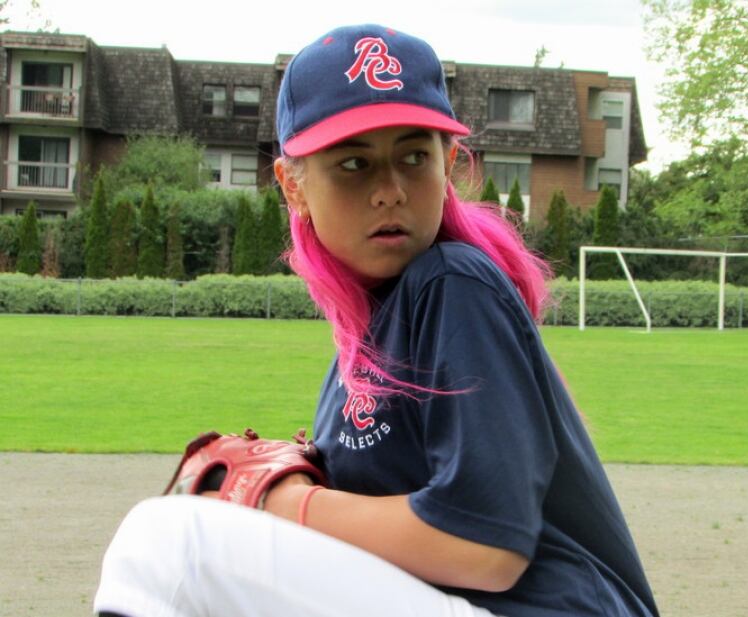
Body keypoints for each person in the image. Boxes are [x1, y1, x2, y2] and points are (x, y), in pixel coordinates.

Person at [94, 24, 659, 617]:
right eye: (354, 163)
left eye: (414, 156)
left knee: (170, 544)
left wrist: (283, 503)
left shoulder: (452, 281)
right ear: (294, 186)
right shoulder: (360, 344)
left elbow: (487, 546)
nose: (389, 190)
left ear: (447, 165)